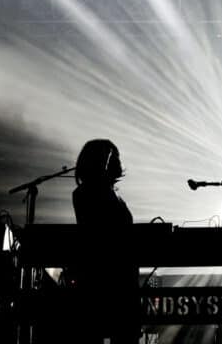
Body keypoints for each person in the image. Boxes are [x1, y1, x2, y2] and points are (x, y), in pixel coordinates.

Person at [70, 139, 139, 344]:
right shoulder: (85, 194)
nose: (118, 160)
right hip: (101, 281)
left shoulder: (114, 196)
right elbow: (101, 231)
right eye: (112, 155)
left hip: (122, 281)